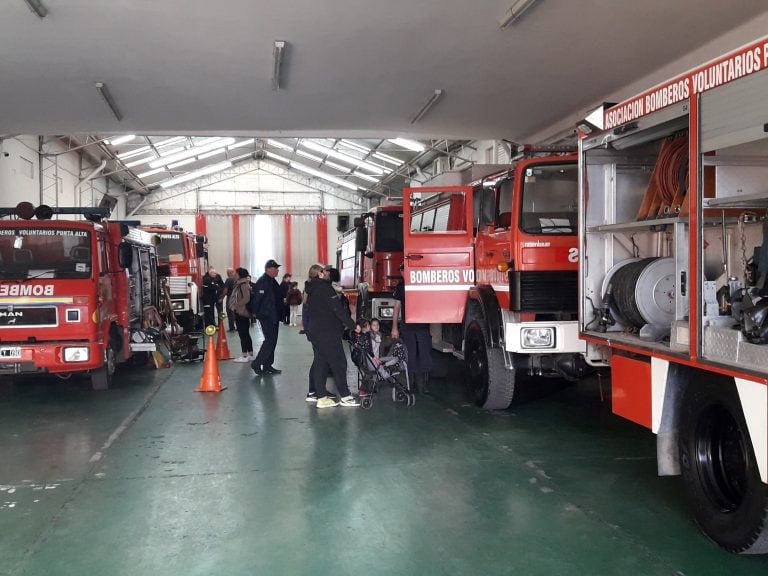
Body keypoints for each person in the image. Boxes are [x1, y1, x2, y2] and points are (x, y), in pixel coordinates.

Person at [305, 264, 360, 408]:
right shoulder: (325, 288)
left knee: (320, 363)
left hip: (316, 333)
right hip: (327, 333)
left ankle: (321, 397)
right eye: (324, 271)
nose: (328, 272)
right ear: (320, 274)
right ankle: (346, 397)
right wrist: (354, 325)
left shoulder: (312, 288)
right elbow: (338, 310)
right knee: (339, 363)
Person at [392, 263, 432, 394]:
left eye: (403, 270)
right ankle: (413, 383)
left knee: (424, 354)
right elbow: (397, 308)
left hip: (422, 324)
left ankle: (423, 383)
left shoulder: (420, 283)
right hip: (408, 326)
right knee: (411, 355)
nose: (402, 272)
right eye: (401, 270)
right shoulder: (401, 286)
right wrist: (394, 328)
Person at [250, 259, 285, 375]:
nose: (278, 270)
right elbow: (257, 299)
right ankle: (256, 363)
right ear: (269, 269)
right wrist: (255, 313)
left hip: (273, 315)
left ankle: (267, 365)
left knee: (273, 341)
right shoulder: (263, 281)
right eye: (275, 268)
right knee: (270, 341)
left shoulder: (272, 281)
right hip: (267, 316)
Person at [230, 267, 254, 363]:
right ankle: (250, 354)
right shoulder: (243, 284)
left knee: (242, 333)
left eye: (236, 274)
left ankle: (244, 355)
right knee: (245, 333)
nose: (234, 275)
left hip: (241, 312)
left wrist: (235, 305)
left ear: (240, 275)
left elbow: (246, 299)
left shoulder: (242, 285)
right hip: (243, 312)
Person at [222, 267, 238, 331]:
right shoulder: (237, 279)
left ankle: (232, 328)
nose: (227, 274)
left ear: (229, 273)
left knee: (230, 312)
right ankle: (238, 327)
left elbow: (225, 290)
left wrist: (222, 298)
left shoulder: (229, 279)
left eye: (227, 273)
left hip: (231, 298)